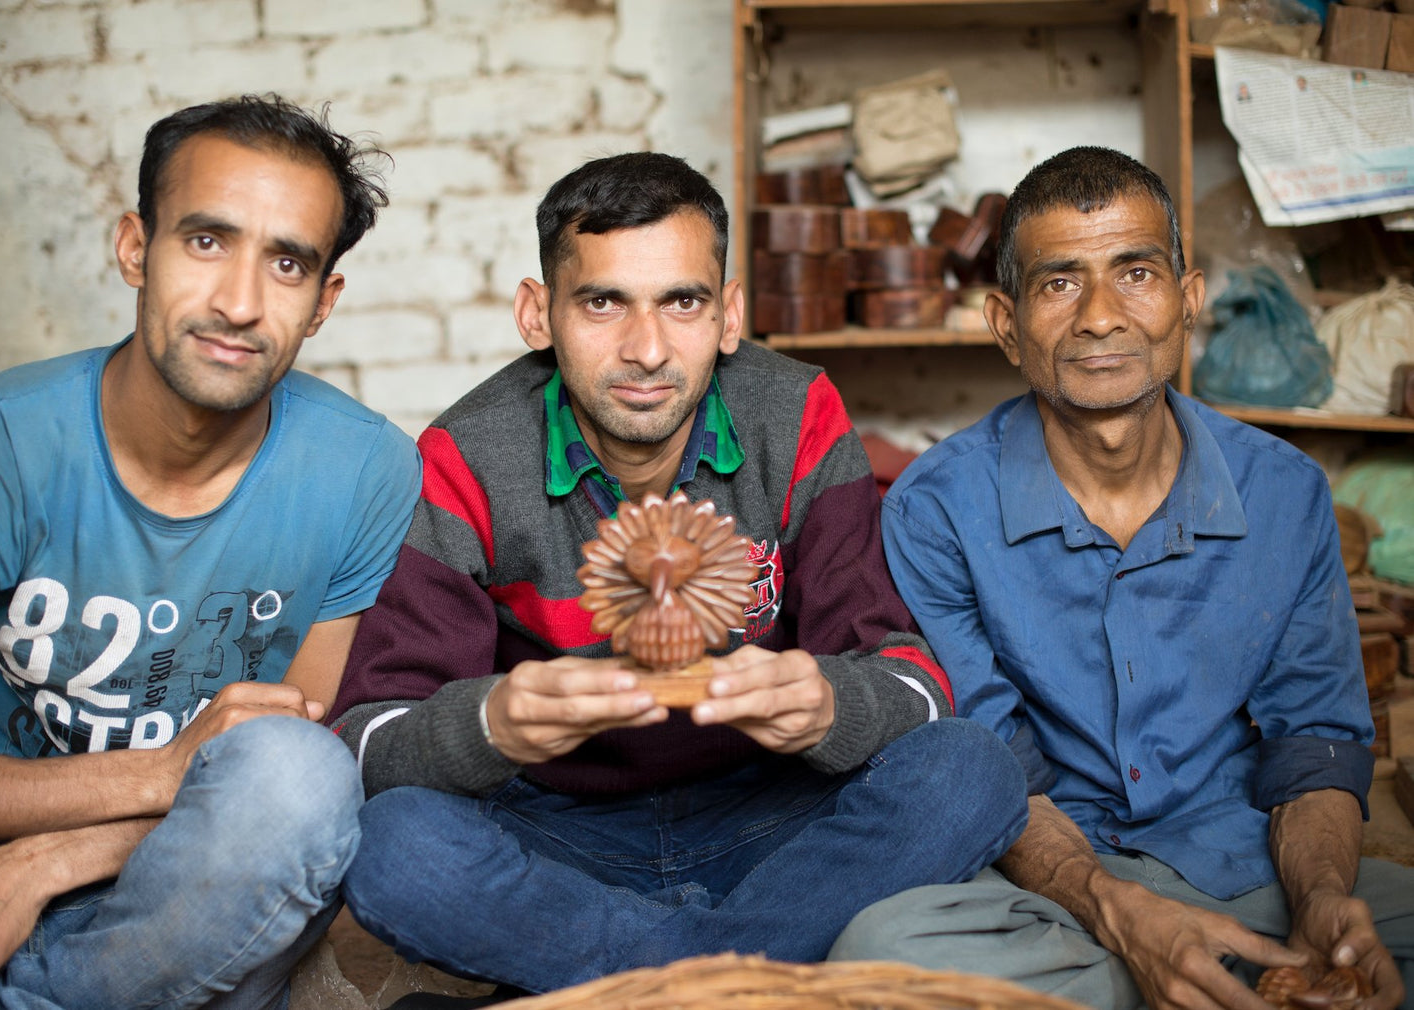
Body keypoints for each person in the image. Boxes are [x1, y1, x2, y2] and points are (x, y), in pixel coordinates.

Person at [327, 151, 1028, 997]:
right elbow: (369, 736)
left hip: (771, 814)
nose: (647, 348)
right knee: (395, 845)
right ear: (537, 313)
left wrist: (829, 706)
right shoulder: (466, 454)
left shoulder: (797, 411)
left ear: (728, 315)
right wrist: (494, 725)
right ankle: (746, 976)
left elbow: (913, 682)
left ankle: (627, 982)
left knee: (972, 769)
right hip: (558, 829)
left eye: (682, 302)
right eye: (602, 302)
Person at [834, 146, 1414, 1010]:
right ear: (1006, 323)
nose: (1101, 317)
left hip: (1246, 870)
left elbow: (1315, 745)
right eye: (1060, 282)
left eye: (1135, 272)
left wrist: (1324, 900)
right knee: (875, 956)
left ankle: (1210, 976)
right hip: (1046, 889)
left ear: (1188, 300)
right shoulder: (935, 508)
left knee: (1387, 929)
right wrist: (1118, 912)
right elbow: (993, 766)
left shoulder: (1283, 491)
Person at [0, 94, 420, 1010]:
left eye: (288, 262)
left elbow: (286, 776)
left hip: (196, 890)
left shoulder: (366, 469)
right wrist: (162, 768)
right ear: (134, 249)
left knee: (305, 777)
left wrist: (45, 862)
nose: (239, 302)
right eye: (205, 241)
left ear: (323, 303)